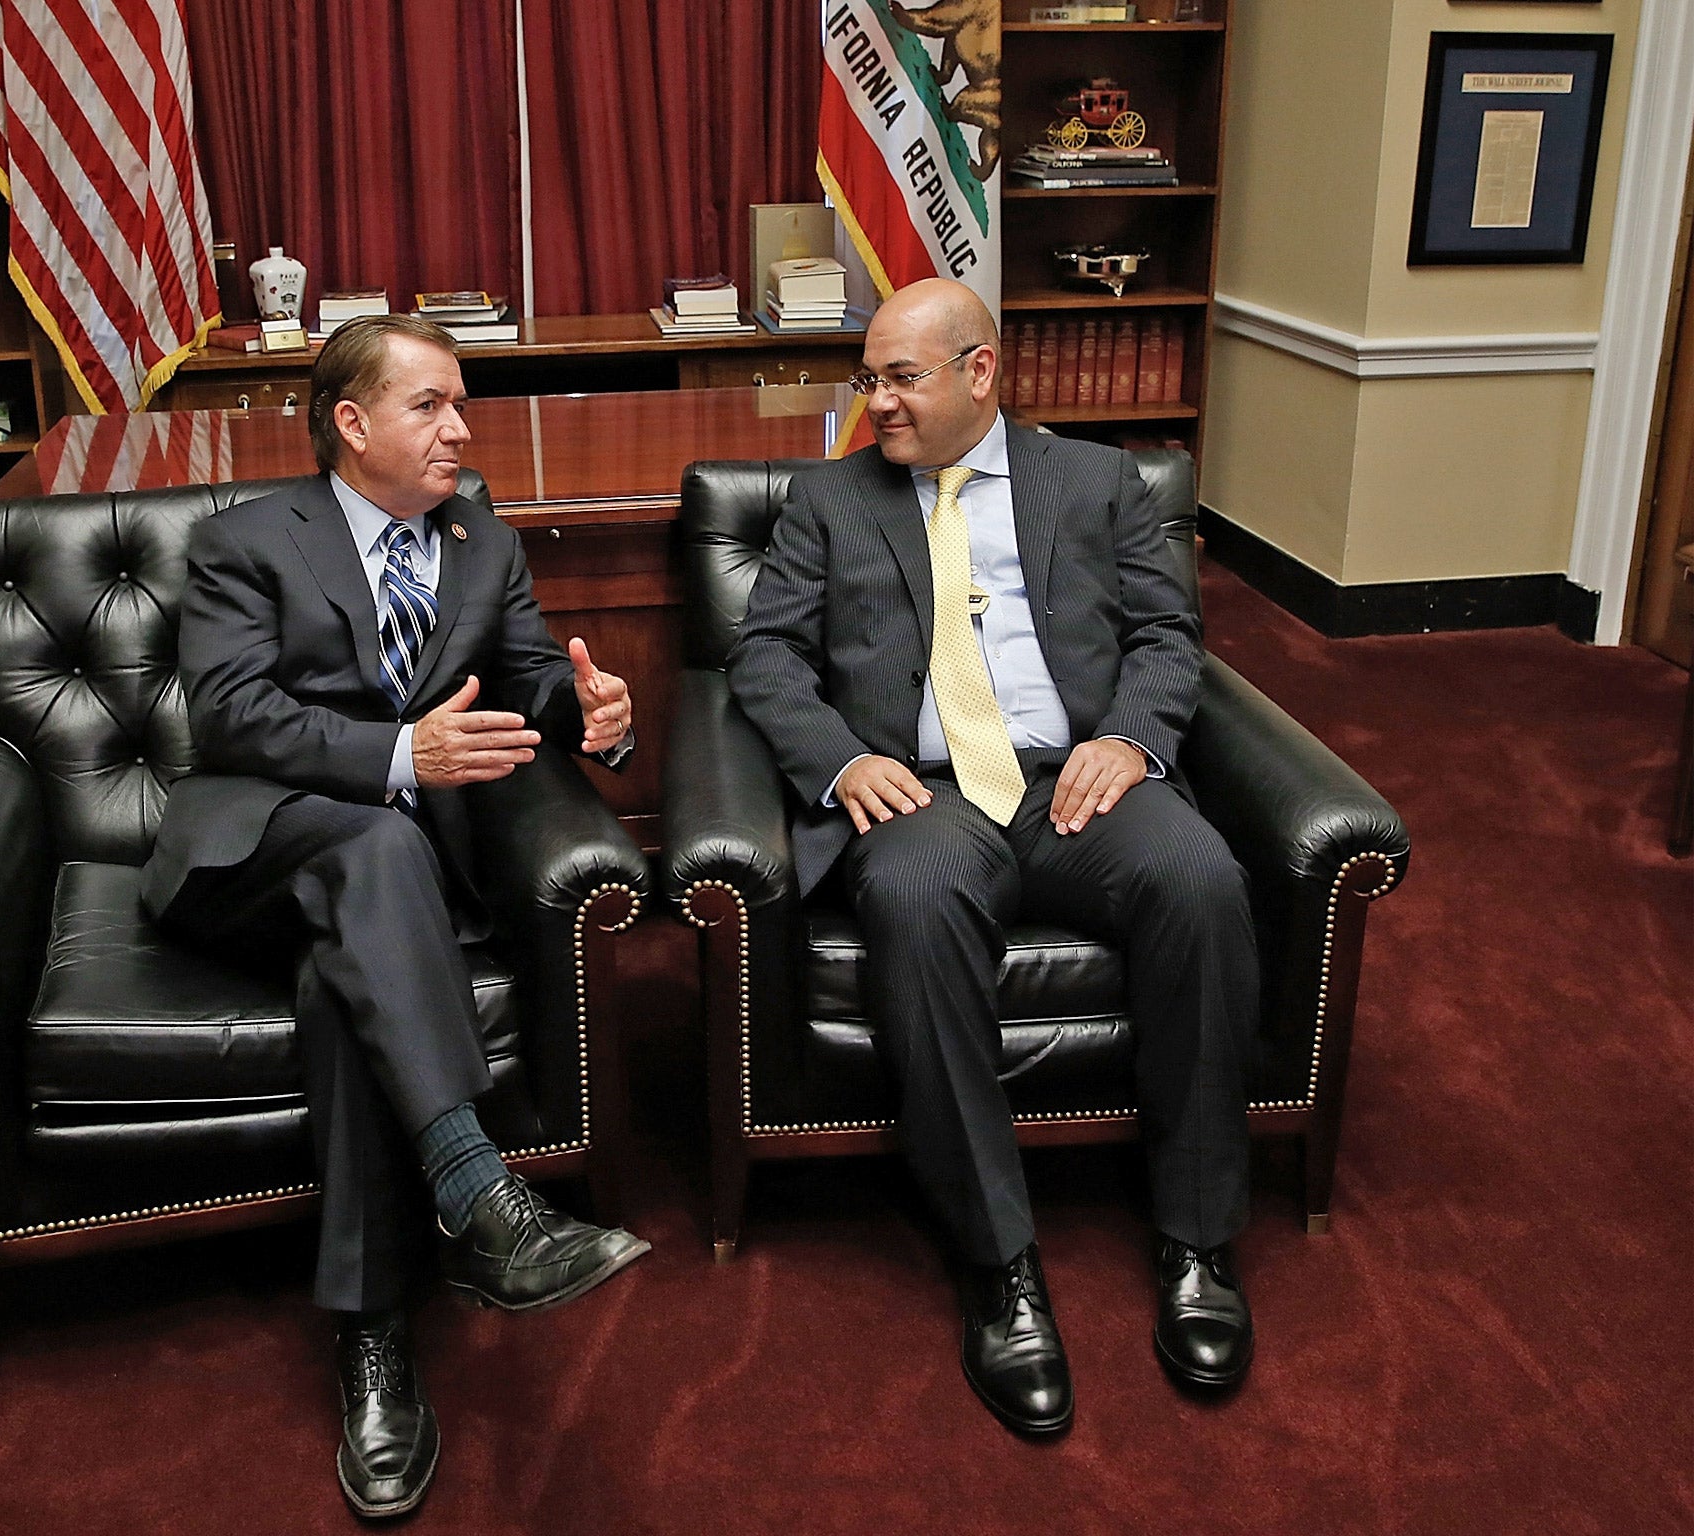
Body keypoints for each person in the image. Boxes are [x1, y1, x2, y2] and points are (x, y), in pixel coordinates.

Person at [725, 278, 1257, 1435]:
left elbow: (1169, 637)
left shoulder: (1097, 483)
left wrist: (1126, 736)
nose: (876, 405)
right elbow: (763, 659)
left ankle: (1197, 1238)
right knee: (912, 902)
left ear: (979, 371)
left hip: (1076, 778)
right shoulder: (826, 500)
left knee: (1202, 881)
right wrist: (835, 760)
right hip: (920, 790)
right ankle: (998, 1262)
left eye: (900, 378)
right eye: (866, 379)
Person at [141, 314, 648, 1517]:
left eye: (459, 404)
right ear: (353, 422)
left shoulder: (481, 537)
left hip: (391, 901)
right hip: (252, 855)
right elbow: (229, 718)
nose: (460, 431)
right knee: (374, 830)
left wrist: (593, 718)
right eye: (430, 406)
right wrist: (399, 756)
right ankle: (482, 1193)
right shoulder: (243, 542)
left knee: (342, 991)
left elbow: (524, 682)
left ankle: (373, 1342)